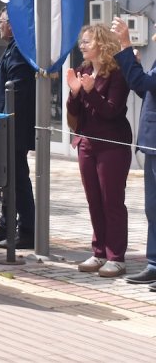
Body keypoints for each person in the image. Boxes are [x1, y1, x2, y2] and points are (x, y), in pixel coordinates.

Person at [66, 24, 133, 279]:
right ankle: (99, 252)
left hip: (112, 145)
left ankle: (116, 256)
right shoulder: (83, 70)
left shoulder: (116, 73)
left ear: (102, 44)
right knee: (94, 200)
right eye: (81, 41)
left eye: (87, 41)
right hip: (87, 143)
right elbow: (75, 113)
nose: (82, 45)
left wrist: (91, 92)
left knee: (111, 201)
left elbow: (112, 111)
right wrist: (74, 93)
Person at [0, 9, 36, 249]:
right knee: (7, 179)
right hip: (5, 126)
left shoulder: (20, 51)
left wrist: (1, 119)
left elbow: (16, 91)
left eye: (2, 22)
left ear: (13, 25)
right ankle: (6, 225)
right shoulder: (13, 48)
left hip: (13, 128)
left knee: (18, 179)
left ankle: (27, 231)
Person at [112, 18, 156, 286]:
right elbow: (143, 88)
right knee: (152, 208)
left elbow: (145, 84)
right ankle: (153, 263)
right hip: (152, 143)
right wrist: (132, 62)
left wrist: (126, 45)